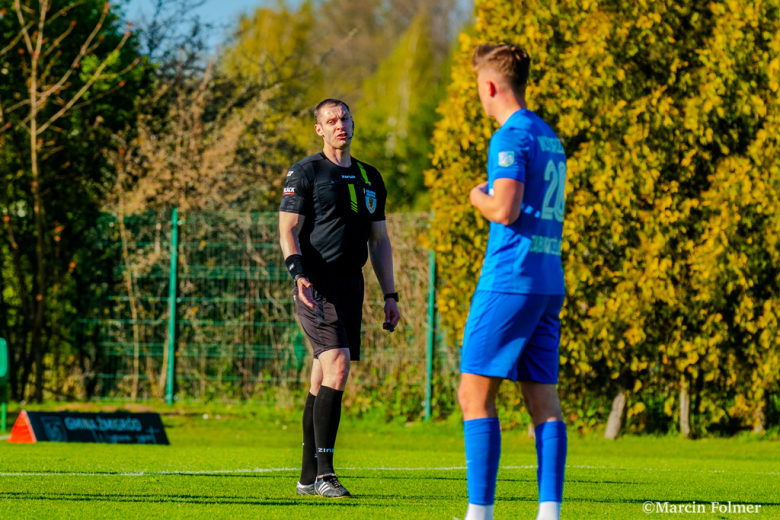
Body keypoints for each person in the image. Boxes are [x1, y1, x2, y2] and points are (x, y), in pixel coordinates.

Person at [458, 44, 568, 520]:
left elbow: (504, 208)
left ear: (489, 85)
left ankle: (479, 513)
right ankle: (549, 513)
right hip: (547, 279)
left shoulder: (510, 136)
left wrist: (476, 196)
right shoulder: (548, 136)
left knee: (474, 395)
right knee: (543, 401)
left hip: (510, 280)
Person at [279, 98, 401, 498]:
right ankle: (325, 475)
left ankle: (306, 477)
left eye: (344, 117)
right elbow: (288, 229)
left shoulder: (369, 176)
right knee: (338, 365)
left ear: (352, 122)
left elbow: (379, 241)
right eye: (330, 120)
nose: (339, 125)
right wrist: (298, 274)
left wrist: (390, 295)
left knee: (321, 378)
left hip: (352, 286)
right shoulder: (306, 171)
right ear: (319, 129)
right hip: (316, 285)